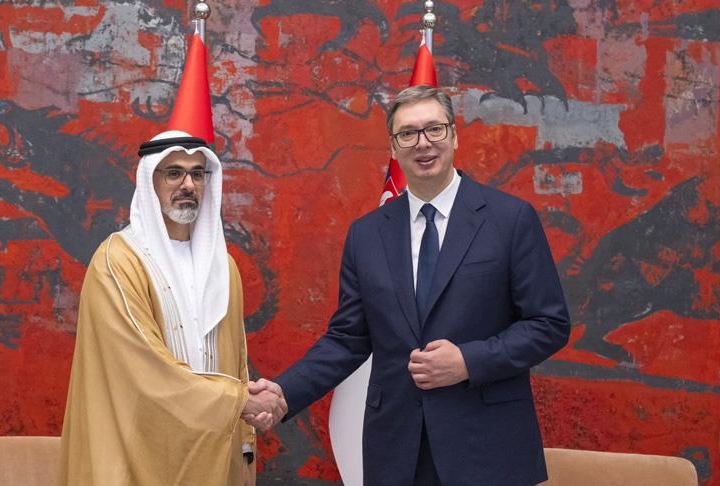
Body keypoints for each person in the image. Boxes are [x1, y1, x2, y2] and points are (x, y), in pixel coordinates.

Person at [254, 85, 571, 485]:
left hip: (487, 446)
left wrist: (468, 361)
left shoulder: (510, 219)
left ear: (454, 135)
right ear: (394, 146)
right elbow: (348, 338)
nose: (423, 143)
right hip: (397, 449)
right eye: (408, 133)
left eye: (434, 129)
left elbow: (549, 324)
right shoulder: (367, 235)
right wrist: (284, 393)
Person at [60, 130, 286, 486]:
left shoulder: (222, 267)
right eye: (174, 173)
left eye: (197, 174)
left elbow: (235, 362)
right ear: (150, 181)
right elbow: (144, 370)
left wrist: (248, 426)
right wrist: (240, 401)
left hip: (209, 454)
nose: (188, 185)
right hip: (138, 453)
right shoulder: (118, 262)